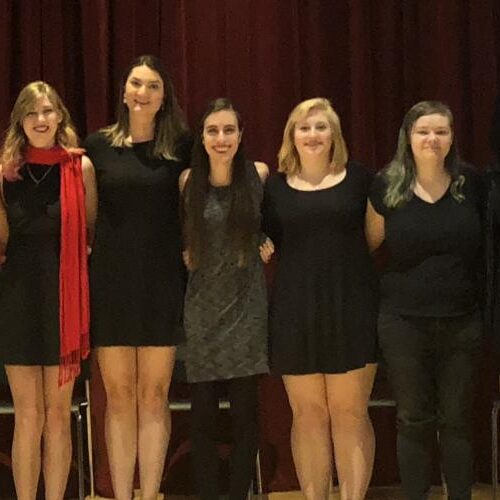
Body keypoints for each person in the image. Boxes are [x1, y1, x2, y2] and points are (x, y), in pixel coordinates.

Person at [83, 55, 190, 500]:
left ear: (164, 98)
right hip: (111, 282)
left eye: (153, 86)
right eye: (136, 83)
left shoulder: (182, 147)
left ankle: (150, 494)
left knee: (154, 394)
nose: (143, 92)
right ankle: (121, 494)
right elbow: (87, 218)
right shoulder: (97, 146)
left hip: (162, 282)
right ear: (124, 91)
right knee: (120, 395)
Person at [365, 101, 483, 500]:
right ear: (408, 138)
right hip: (402, 322)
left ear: (452, 138)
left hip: (462, 321)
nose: (432, 139)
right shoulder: (386, 185)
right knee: (412, 419)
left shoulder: (474, 185)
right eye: (423, 132)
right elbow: (369, 245)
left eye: (441, 132)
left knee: (456, 421)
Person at [262, 97, 378, 500]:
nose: (312, 135)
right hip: (295, 309)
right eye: (304, 127)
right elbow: (263, 236)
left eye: (321, 126)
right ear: (291, 136)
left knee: (350, 414)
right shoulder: (273, 188)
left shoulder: (362, 180)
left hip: (350, 305)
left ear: (335, 135)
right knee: (308, 416)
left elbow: (373, 238)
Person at [0, 81, 96, 500]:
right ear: (20, 121)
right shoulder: (4, 172)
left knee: (58, 415)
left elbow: (89, 236)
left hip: (65, 302)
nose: (41, 120)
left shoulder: (81, 169)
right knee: (29, 414)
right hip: (18, 299)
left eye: (48, 111)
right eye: (32, 113)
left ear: (60, 117)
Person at [179, 97, 269, 500]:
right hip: (202, 313)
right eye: (213, 130)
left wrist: (267, 239)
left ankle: (238, 495)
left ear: (240, 135)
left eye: (229, 130)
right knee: (202, 420)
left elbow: (276, 226)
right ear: (201, 136)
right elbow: (175, 239)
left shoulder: (259, 176)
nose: (221, 138)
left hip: (246, 309)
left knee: (246, 418)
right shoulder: (187, 183)